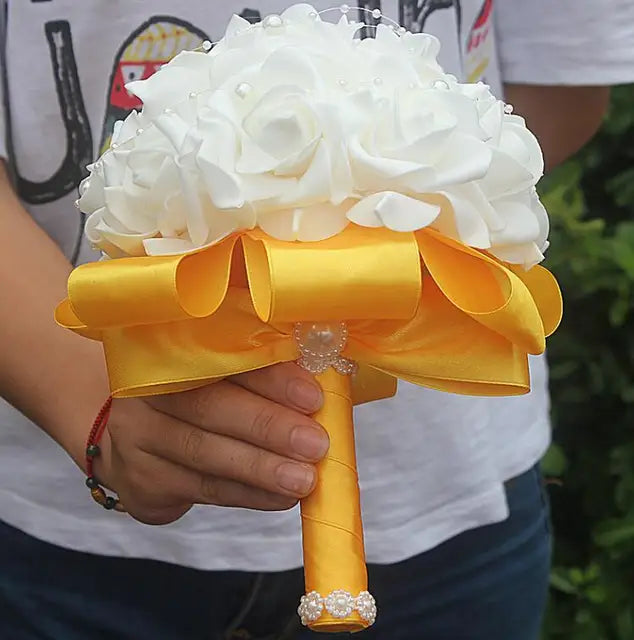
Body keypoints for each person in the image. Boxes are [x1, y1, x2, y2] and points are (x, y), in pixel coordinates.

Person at [0, 2, 632, 639]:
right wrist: (90, 401)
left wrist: (376, 233)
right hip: (66, 527)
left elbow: (563, 80)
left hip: (450, 511)